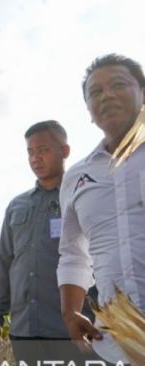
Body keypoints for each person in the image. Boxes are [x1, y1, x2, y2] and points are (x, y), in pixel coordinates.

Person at [57, 54, 145, 364]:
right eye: (95, 92)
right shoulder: (77, 177)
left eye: (119, 85)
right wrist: (69, 313)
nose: (106, 95)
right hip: (116, 343)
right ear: (89, 112)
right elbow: (73, 253)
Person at [0, 121, 95, 363]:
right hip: (25, 331)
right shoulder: (17, 206)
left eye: (43, 150)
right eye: (30, 152)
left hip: (70, 331)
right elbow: (4, 263)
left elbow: (96, 256)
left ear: (64, 152)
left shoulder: (80, 197)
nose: (35, 158)